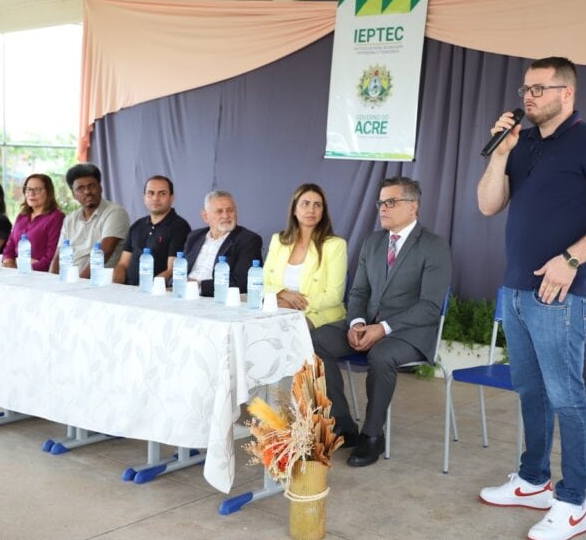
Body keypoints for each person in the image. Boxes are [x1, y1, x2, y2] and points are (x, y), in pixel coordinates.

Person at [476, 57, 586, 540]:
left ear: (566, 94)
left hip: (559, 295)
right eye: (525, 88)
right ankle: (532, 480)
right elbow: (487, 204)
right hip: (516, 290)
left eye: (539, 89)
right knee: (529, 390)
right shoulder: (522, 143)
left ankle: (572, 503)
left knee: (566, 397)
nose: (528, 97)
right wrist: (500, 153)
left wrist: (571, 259)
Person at [311, 177, 452, 467]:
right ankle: (343, 425)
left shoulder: (434, 246)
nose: (383, 208)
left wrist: (383, 328)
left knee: (382, 354)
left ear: (413, 207)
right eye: (380, 202)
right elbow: (360, 291)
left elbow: (429, 307)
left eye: (391, 202)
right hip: (368, 325)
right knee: (317, 340)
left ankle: (372, 435)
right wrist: (357, 323)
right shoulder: (373, 242)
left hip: (409, 334)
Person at [263, 183, 346, 329]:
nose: (311, 210)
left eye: (317, 205)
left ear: (323, 212)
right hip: (278, 308)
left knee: (284, 328)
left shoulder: (335, 245)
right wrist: (283, 294)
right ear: (294, 209)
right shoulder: (278, 241)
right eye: (305, 204)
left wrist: (293, 305)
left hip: (317, 314)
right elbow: (263, 283)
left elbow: (334, 295)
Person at [49, 163, 130, 278]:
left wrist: (78, 283)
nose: (87, 192)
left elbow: (104, 253)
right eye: (80, 188)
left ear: (100, 187)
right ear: (73, 194)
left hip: (97, 283)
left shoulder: (115, 212)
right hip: (69, 282)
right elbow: (58, 256)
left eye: (91, 186)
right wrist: (51, 282)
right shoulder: (70, 219)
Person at [180, 190, 263, 297]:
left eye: (230, 210)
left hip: (214, 298)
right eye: (219, 211)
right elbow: (179, 270)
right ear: (205, 216)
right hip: (183, 293)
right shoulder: (194, 237)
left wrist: (199, 286)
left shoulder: (248, 240)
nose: (225, 216)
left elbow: (242, 282)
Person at [112, 175, 191, 286]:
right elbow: (123, 264)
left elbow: (172, 270)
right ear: (144, 197)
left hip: (155, 293)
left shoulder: (179, 227)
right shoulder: (137, 225)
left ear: (172, 198)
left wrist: (148, 291)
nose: (155, 198)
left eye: (162, 193)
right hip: (127, 290)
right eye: (151, 193)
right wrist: (116, 286)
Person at [1, 174, 65, 271]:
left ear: (48, 192)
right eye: (28, 189)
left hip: (41, 275)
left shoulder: (56, 217)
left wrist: (27, 267)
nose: (31, 193)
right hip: (16, 271)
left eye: (37, 190)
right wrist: (8, 261)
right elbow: (10, 246)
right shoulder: (22, 216)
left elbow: (53, 257)